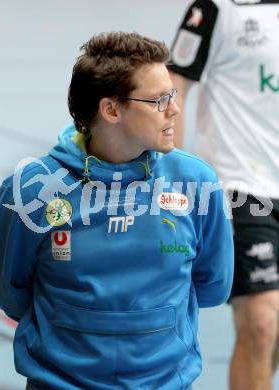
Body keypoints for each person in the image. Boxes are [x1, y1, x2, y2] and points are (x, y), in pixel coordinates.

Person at [0, 31, 233, 390]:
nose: (175, 109)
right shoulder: (31, 189)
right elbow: (10, 291)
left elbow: (214, 285)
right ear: (111, 109)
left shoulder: (197, 183)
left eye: (173, 94)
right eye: (158, 100)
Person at [168, 1, 279, 389]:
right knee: (261, 321)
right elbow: (175, 82)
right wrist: (173, 178)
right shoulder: (215, 8)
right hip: (241, 186)